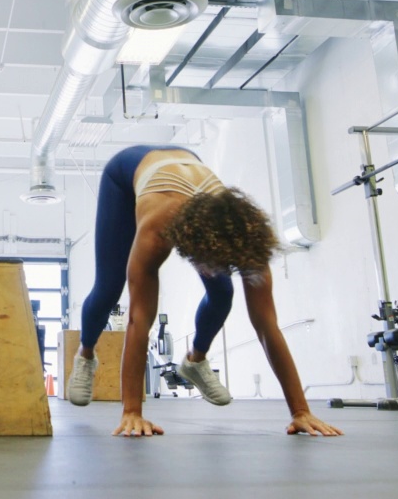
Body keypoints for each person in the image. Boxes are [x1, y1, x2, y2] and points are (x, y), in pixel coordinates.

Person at [66, 145, 342, 438]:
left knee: (222, 292)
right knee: (108, 289)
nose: (207, 272)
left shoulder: (248, 240)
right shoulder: (157, 228)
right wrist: (132, 412)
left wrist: (301, 411)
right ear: (187, 243)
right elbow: (138, 320)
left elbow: (266, 325)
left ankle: (196, 361)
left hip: (188, 170)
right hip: (124, 175)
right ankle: (85, 356)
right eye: (205, 264)